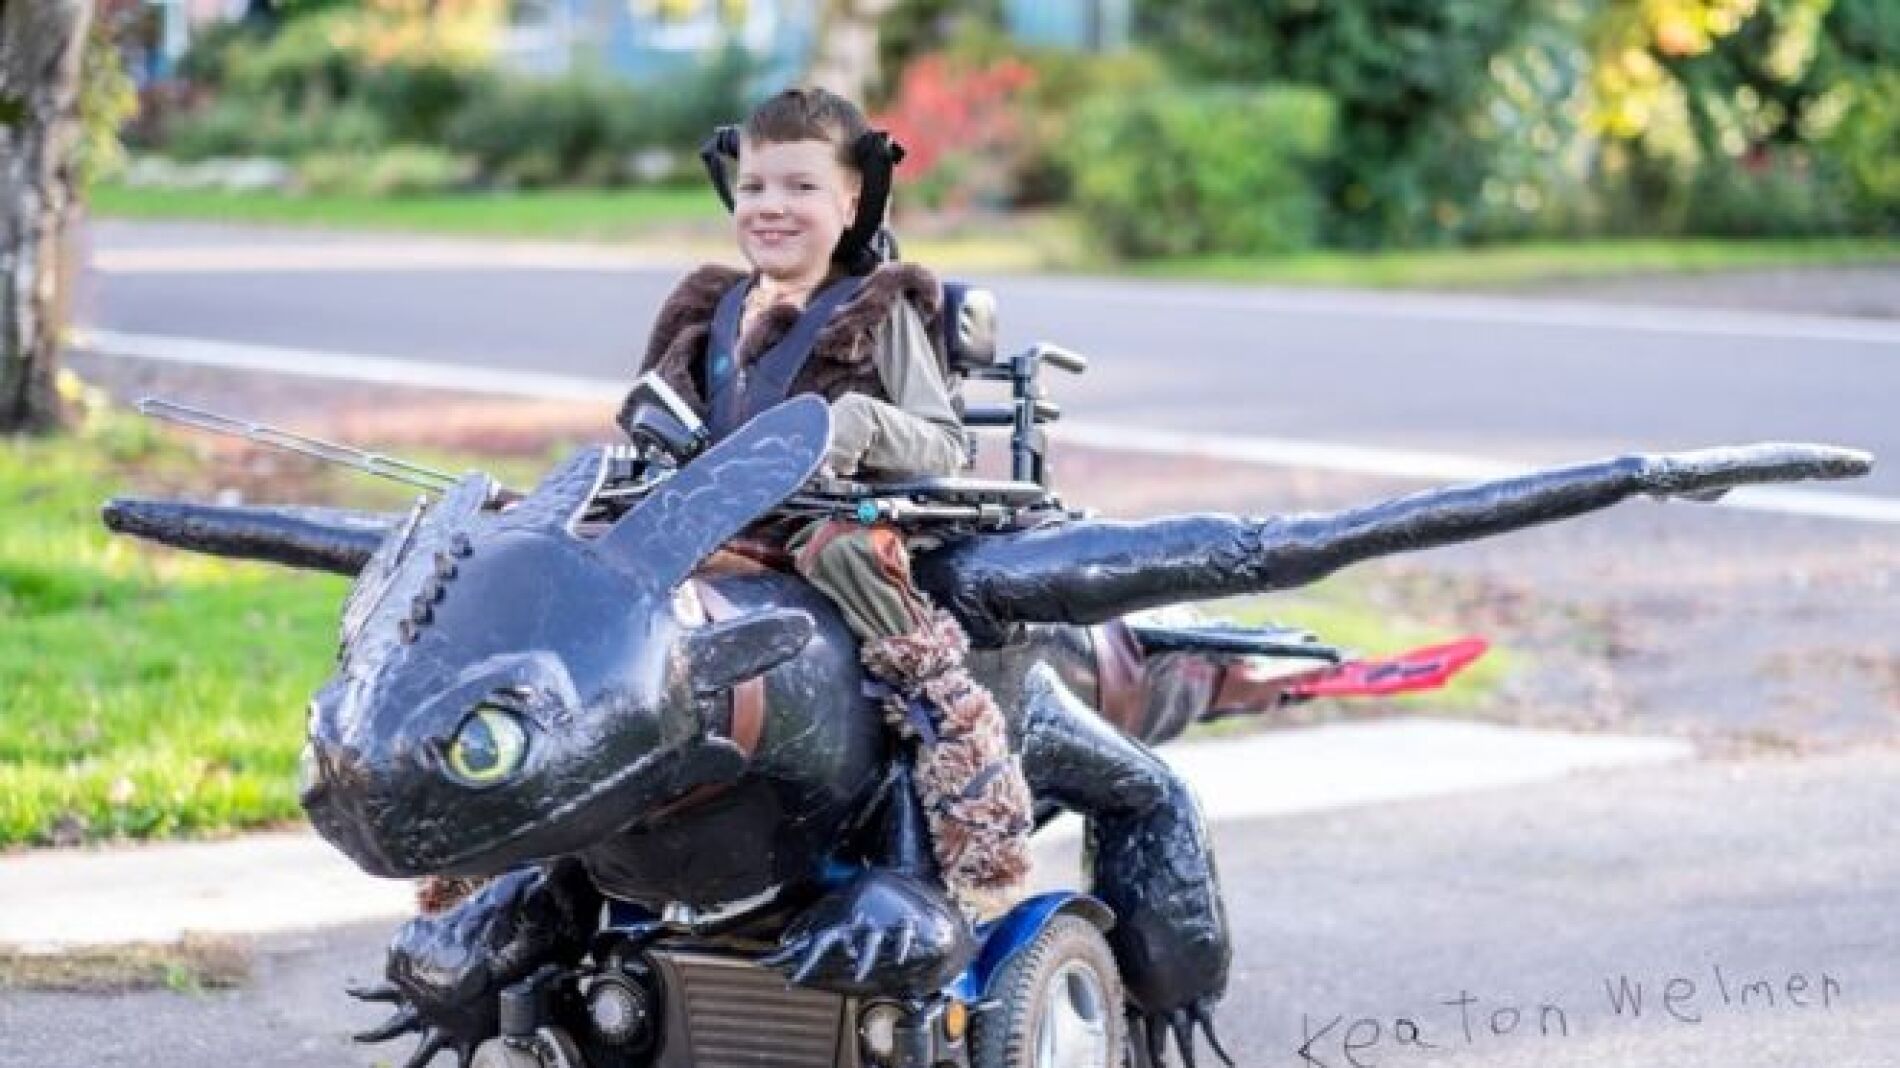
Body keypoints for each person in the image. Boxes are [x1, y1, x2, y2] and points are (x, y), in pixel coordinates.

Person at [631, 87, 1033, 912]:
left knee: (846, 552)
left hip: (827, 528)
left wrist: (854, 425)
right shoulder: (709, 309)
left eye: (802, 188)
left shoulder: (878, 309)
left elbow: (945, 443)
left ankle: (960, 766)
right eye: (755, 187)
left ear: (851, 202)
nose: (772, 207)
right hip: (710, 524)